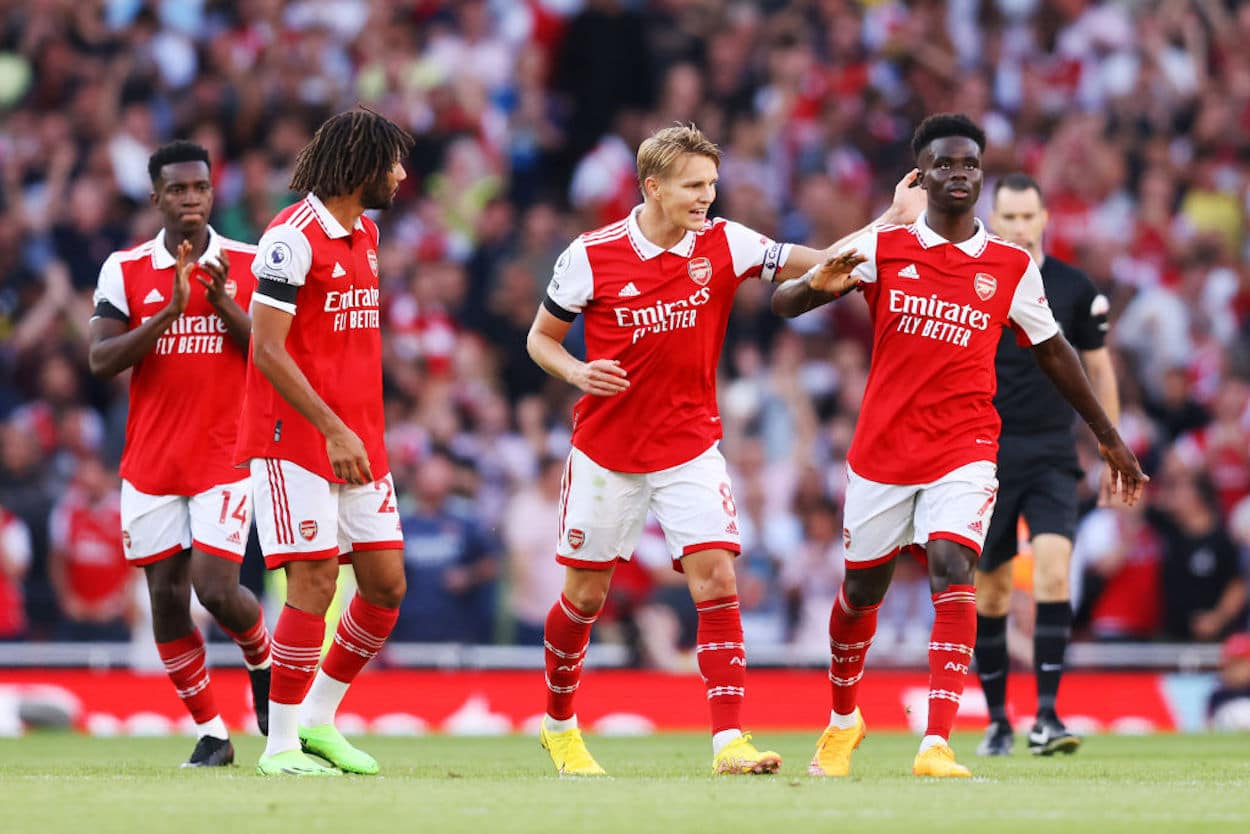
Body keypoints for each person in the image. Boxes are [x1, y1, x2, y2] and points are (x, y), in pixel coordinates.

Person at [526, 123, 920, 776]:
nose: (707, 197)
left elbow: (820, 262)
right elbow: (542, 338)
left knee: (717, 578)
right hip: (607, 452)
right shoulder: (589, 256)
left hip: (690, 448)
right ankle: (560, 725)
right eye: (693, 186)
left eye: (711, 184)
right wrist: (574, 372)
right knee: (586, 598)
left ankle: (728, 741)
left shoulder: (727, 242)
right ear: (652, 187)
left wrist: (887, 219)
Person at [771, 113, 1147, 778]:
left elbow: (1056, 350)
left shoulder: (1007, 264)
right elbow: (785, 301)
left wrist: (1109, 438)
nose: (960, 175)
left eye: (971, 164)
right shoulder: (882, 246)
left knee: (954, 566)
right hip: (883, 449)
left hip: (966, 446)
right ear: (921, 174)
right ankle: (842, 720)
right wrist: (813, 287)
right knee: (862, 592)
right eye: (945, 164)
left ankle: (936, 742)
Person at [236, 108, 413, 777]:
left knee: (385, 584)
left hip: (359, 438)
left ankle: (318, 721)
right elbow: (269, 349)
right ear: (361, 166)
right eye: (392, 161)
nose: (401, 174)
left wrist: (356, 425)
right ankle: (279, 747)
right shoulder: (291, 236)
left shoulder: (366, 232)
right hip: (293, 437)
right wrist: (333, 426)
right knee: (312, 580)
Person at [87, 141, 271, 768]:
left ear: (212, 193)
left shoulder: (247, 263)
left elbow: (274, 360)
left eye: (200, 188)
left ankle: (264, 668)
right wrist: (169, 311)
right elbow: (101, 360)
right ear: (155, 196)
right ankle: (215, 733)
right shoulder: (125, 269)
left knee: (215, 587)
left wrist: (222, 304)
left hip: (224, 457)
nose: (190, 199)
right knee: (165, 601)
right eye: (177, 189)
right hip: (151, 463)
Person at [972, 173, 1121, 757]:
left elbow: (1101, 368)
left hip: (1053, 452)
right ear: (995, 219)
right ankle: (997, 722)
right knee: (992, 592)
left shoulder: (1074, 288)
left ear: (1044, 218)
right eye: (1007, 218)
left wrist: (1112, 446)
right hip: (987, 454)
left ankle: (1048, 716)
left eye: (1027, 216)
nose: (1018, 227)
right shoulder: (976, 280)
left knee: (1056, 569)